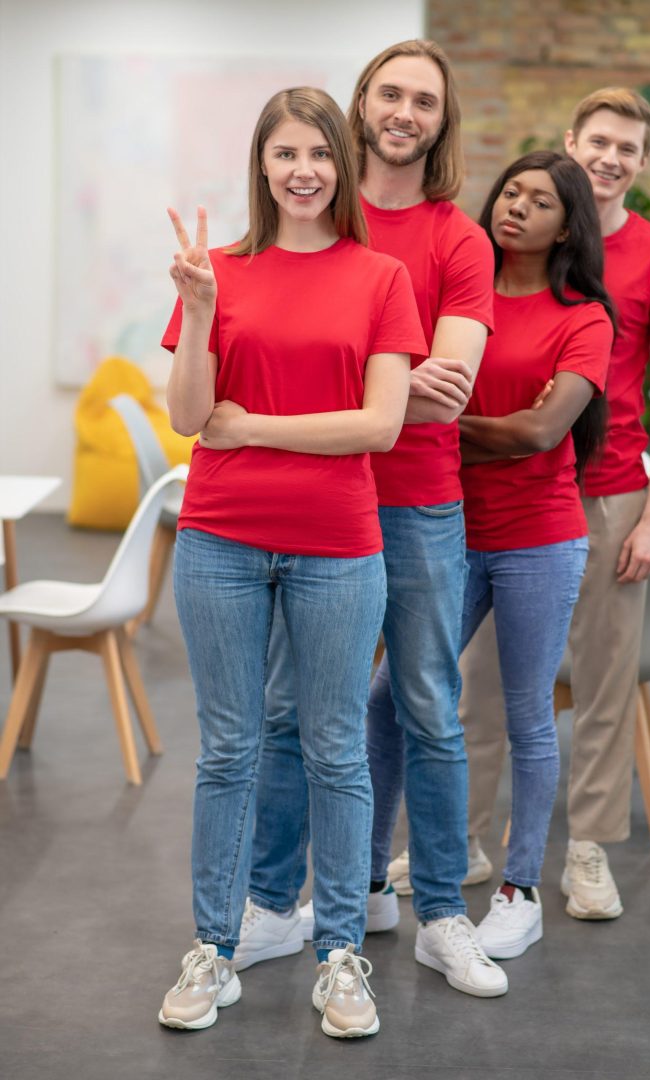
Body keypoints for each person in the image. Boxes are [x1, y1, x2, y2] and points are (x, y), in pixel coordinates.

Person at [230, 40, 503, 998]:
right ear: (361, 105)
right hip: (306, 508)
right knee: (284, 711)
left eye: (423, 99)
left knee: (429, 706)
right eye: (389, 93)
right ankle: (270, 907)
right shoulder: (305, 224)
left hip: (419, 502)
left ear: (440, 120)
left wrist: (355, 383)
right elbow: (376, 383)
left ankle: (438, 915)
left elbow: (446, 393)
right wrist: (386, 378)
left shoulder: (457, 240)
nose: (404, 111)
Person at [157, 86, 426, 1038]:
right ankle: (214, 949)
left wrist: (255, 427)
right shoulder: (217, 269)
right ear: (261, 167)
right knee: (228, 751)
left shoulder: (379, 276)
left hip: (339, 547)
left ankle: (341, 956)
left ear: (341, 167)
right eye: (285, 155)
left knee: (336, 752)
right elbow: (191, 418)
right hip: (221, 538)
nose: (304, 170)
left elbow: (383, 423)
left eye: (319, 154)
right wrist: (197, 312)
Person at [458, 88, 650, 921]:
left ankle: (590, 848)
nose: (611, 158)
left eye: (628, 149)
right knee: (481, 683)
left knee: (605, 683)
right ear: (572, 142)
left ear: (642, 163)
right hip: (499, 496)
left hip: (609, 495)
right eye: (598, 141)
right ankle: (463, 837)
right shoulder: (502, 249)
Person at [372, 150, 614, 962]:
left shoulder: (583, 317)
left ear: (567, 224)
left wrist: (429, 421)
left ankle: (519, 890)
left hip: (540, 537)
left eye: (540, 201)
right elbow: (454, 408)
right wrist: (461, 424)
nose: (516, 208)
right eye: (510, 191)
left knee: (526, 717)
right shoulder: (459, 292)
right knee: (388, 701)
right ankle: (369, 878)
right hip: (449, 528)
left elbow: (541, 434)